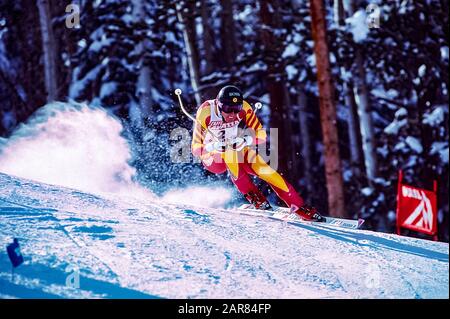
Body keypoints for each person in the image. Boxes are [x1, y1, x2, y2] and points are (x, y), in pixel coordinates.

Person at [191, 85, 322, 221]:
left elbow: (261, 135)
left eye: (236, 109)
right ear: (218, 105)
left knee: (263, 168)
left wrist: (247, 140)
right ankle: (255, 197)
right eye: (228, 109)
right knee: (228, 152)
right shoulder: (206, 112)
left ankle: (299, 206)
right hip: (212, 158)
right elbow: (195, 149)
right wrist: (214, 146)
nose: (232, 114)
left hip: (234, 148)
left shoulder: (245, 108)